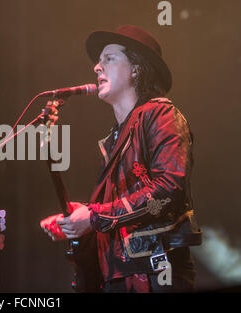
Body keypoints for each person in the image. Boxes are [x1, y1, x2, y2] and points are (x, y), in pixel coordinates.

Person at [40, 25, 202, 293]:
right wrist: (77, 219)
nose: (96, 67)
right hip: (118, 276)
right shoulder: (116, 137)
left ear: (136, 68)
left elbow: (167, 189)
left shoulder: (160, 115)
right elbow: (118, 210)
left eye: (108, 58)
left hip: (153, 273)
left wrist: (93, 217)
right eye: (98, 61)